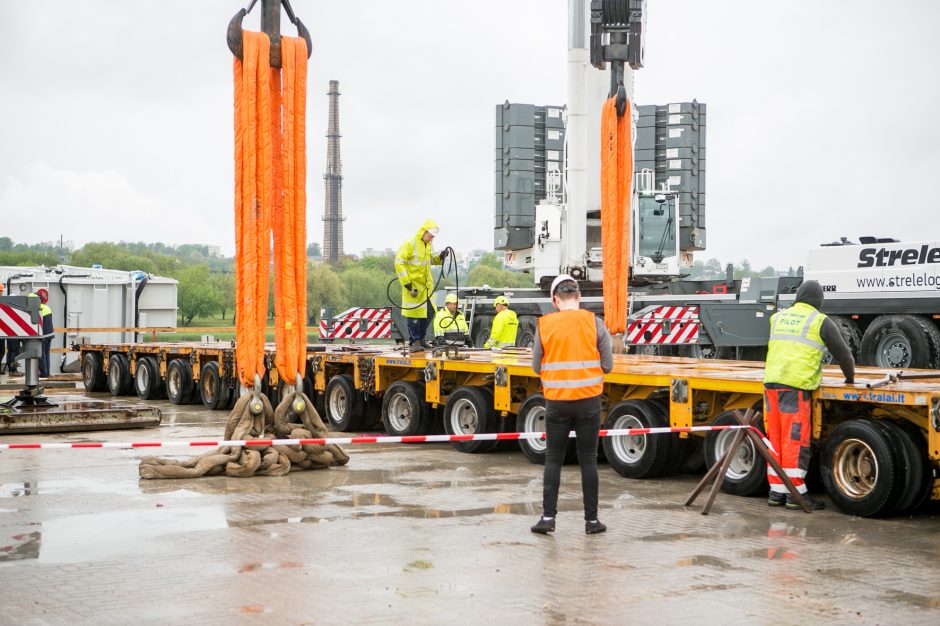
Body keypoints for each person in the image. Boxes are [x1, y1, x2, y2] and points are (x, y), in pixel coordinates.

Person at [530, 275, 613, 535]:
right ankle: (591, 521)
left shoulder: (544, 326)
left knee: (553, 459)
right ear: (578, 297)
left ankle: (547, 518)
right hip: (588, 401)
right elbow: (608, 365)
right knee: (588, 460)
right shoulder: (595, 323)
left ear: (555, 300)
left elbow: (535, 367)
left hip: (556, 403)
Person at [764, 280, 855, 510]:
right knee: (794, 441)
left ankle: (777, 492)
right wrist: (850, 379)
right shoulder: (819, 321)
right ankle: (795, 495)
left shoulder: (778, 317)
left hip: (770, 386)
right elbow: (844, 356)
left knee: (775, 441)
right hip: (795, 388)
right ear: (819, 301)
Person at [395, 219, 447, 351]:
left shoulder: (428, 245)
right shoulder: (410, 243)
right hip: (413, 287)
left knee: (430, 312)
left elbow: (429, 261)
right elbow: (399, 262)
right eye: (430, 236)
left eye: (433, 237)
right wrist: (406, 283)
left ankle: (421, 338)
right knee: (413, 315)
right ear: (423, 232)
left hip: (426, 287)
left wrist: (440, 258)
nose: (431, 239)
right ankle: (414, 342)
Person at [36, 289, 53, 378]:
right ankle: (47, 372)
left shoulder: (38, 308)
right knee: (46, 353)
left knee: (41, 354)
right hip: (50, 334)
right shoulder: (47, 307)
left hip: (43, 335)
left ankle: (44, 373)